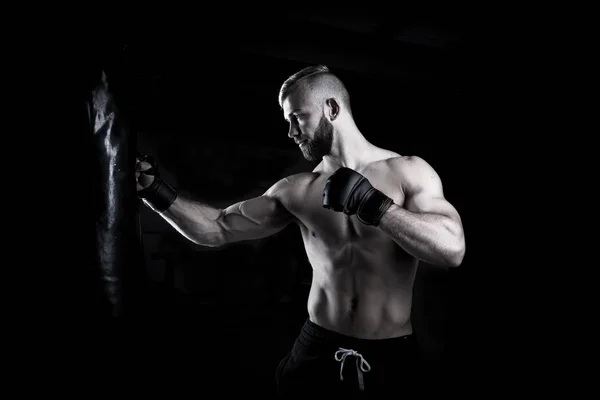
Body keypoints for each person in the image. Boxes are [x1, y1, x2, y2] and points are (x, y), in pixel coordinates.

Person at [136, 65, 466, 396]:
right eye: (287, 122)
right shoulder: (296, 189)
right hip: (318, 347)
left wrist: (375, 205)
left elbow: (451, 249)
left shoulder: (408, 172)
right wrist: (154, 192)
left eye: (297, 117)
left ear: (332, 109)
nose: (291, 132)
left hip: (391, 353)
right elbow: (217, 228)